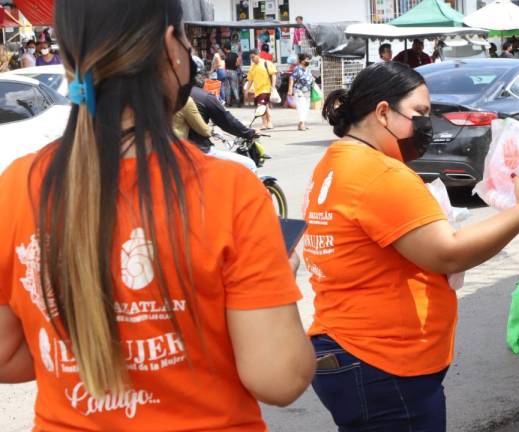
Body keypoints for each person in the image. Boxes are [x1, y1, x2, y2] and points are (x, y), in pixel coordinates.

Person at [0, 1, 315, 430]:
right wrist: (279, 277)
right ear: (171, 46)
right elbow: (280, 378)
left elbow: (8, 356)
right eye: (184, 36)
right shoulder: (228, 190)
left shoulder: (17, 184)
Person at [307, 60, 519, 431]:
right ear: (383, 112)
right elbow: (446, 252)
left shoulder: (337, 161)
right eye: (419, 113)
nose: (425, 125)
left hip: (348, 347)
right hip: (383, 362)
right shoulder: (380, 173)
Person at [187, 57, 259, 173]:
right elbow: (226, 121)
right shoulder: (203, 97)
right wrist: (249, 132)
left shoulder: (170, 96)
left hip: (173, 152)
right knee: (249, 164)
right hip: (199, 151)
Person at [245, 50, 278, 130]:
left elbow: (273, 75)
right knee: (264, 106)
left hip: (266, 89)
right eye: (251, 58)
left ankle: (265, 123)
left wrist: (273, 86)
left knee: (261, 106)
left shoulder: (266, 63)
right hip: (257, 90)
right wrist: (247, 90)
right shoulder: (252, 67)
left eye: (253, 57)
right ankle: (269, 122)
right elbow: (250, 80)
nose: (252, 59)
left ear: (258, 55)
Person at [288, 53, 313, 131]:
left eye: (309, 59)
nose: (308, 61)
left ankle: (302, 123)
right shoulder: (297, 68)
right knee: (301, 106)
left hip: (307, 91)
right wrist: (290, 89)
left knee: (306, 107)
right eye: (307, 59)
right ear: (302, 61)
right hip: (299, 91)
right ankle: (302, 123)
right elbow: (292, 78)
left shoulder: (308, 69)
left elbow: (310, 78)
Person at [222, 43, 241, 107]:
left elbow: (223, 65)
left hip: (226, 71)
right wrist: (235, 66)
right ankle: (238, 101)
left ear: (225, 49)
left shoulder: (224, 56)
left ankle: (228, 102)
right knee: (235, 87)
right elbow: (238, 63)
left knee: (227, 88)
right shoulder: (235, 55)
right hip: (233, 72)